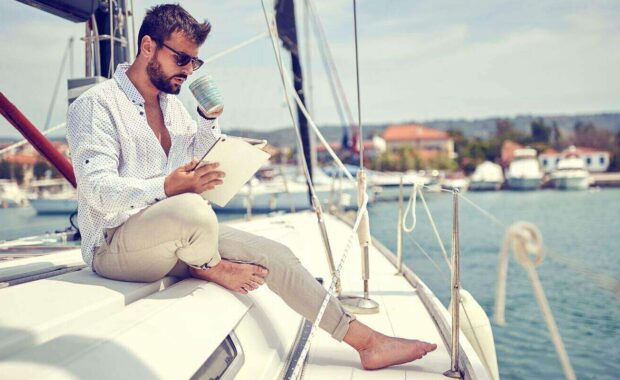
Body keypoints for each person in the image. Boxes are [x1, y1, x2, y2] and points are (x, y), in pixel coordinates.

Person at [66, 4, 436, 370]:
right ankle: (209, 266)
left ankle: (367, 342)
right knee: (192, 211)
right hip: (114, 245)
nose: (188, 71)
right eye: (182, 59)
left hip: (175, 234)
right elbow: (96, 188)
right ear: (148, 46)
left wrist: (208, 121)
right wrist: (166, 186)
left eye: (195, 63)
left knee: (276, 254)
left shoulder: (174, 107)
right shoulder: (96, 105)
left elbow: (195, 155)